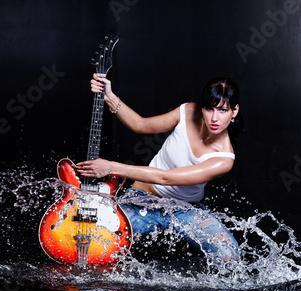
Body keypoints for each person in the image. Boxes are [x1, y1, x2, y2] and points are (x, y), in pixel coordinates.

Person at [76, 74, 242, 263]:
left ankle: (189, 247)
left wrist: (111, 167)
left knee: (229, 255)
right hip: (141, 201)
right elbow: (140, 125)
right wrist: (109, 97)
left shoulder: (224, 159)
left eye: (222, 110)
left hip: (185, 211)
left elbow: (166, 178)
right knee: (94, 244)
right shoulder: (188, 111)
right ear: (201, 107)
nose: (214, 118)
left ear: (234, 111)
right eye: (209, 108)